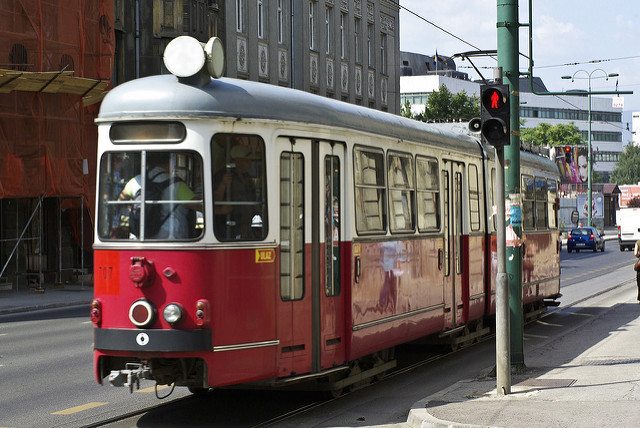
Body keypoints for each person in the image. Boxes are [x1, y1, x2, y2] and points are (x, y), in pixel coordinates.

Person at [118, 153, 196, 239]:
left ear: (146, 163)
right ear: (169, 164)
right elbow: (201, 206)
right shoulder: (178, 185)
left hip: (139, 238)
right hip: (172, 240)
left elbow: (119, 201)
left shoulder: (135, 181)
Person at [214, 144, 258, 240]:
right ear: (238, 160)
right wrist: (223, 184)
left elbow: (252, 199)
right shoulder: (222, 175)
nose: (250, 163)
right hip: (226, 226)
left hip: (246, 225)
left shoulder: (248, 178)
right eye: (248, 160)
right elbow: (214, 200)